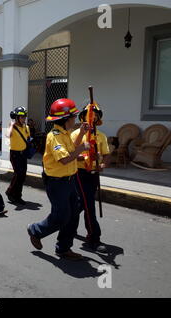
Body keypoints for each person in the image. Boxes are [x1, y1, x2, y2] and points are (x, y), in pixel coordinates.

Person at [26, 98, 90, 261]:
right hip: (56, 182)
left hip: (70, 179)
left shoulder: (65, 133)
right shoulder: (54, 136)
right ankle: (36, 230)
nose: (75, 120)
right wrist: (81, 149)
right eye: (73, 117)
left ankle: (63, 248)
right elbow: (64, 159)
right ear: (64, 119)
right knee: (61, 216)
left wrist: (81, 134)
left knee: (74, 214)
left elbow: (72, 150)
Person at [71, 102, 110, 253]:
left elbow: (106, 155)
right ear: (83, 118)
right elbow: (71, 153)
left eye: (94, 117)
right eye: (89, 117)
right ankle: (94, 238)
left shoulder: (101, 136)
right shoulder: (76, 134)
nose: (91, 120)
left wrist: (103, 165)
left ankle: (68, 224)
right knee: (89, 205)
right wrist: (84, 157)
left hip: (94, 174)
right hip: (80, 174)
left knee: (82, 203)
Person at [5, 107, 31, 205]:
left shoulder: (26, 127)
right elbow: (8, 135)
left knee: (22, 176)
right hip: (15, 154)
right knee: (18, 174)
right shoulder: (12, 126)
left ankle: (17, 195)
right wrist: (11, 125)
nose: (24, 118)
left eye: (24, 116)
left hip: (23, 154)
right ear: (16, 117)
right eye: (21, 116)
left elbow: (28, 138)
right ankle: (10, 192)